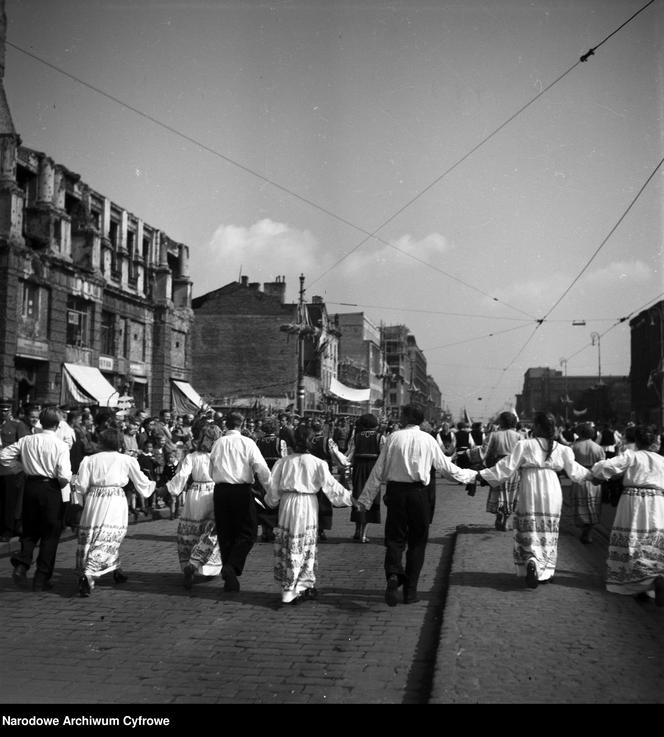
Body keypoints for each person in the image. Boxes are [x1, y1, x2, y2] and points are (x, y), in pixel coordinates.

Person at [357, 404, 478, 607]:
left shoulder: (394, 438)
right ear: (421, 420)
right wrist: (472, 477)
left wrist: (365, 500)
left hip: (396, 494)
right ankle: (410, 591)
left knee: (395, 539)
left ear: (405, 418)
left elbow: (378, 471)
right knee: (418, 542)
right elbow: (447, 468)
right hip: (419, 495)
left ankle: (394, 575)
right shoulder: (429, 440)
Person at [477, 411, 593, 589]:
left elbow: (505, 468)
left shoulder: (525, 445)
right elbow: (576, 472)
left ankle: (530, 560)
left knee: (529, 524)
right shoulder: (563, 449)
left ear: (536, 426)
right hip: (552, 487)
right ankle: (544, 570)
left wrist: (480, 476)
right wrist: (597, 475)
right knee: (548, 528)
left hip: (530, 485)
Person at [264, 424, 354, 605]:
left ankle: (291, 586)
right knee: (304, 543)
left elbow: (273, 490)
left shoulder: (283, 462)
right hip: (307, 504)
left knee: (289, 542)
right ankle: (301, 585)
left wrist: (270, 501)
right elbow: (331, 486)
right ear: (312, 441)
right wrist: (352, 498)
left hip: (288, 504)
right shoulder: (317, 463)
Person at [73, 428, 156, 597]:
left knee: (94, 533)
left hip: (94, 499)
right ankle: (89, 572)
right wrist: (156, 487)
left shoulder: (89, 460)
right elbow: (141, 482)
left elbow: (80, 486)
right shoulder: (126, 460)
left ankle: (116, 569)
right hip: (114, 499)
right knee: (110, 534)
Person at [590, 425, 664, 605]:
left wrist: (598, 474)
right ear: (655, 442)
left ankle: (637, 583)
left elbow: (604, 468)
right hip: (657, 502)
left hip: (633, 501)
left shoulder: (632, 456)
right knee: (653, 541)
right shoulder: (662, 460)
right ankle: (654, 579)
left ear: (637, 441)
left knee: (631, 540)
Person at [0, 407, 72, 591]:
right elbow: (64, 476)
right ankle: (41, 577)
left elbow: (4, 455)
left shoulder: (27, 440)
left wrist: (21, 468)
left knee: (30, 529)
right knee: (50, 533)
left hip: (31, 486)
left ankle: (23, 564)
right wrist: (65, 483)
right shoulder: (60, 445)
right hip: (51, 488)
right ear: (57, 425)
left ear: (41, 422)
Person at [208, 411, 271, 593]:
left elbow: (211, 470)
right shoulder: (247, 443)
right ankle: (232, 566)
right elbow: (261, 468)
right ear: (242, 425)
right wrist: (271, 493)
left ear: (226, 424)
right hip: (241, 491)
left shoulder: (218, 443)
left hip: (221, 491)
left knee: (225, 533)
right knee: (249, 532)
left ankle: (231, 576)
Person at [159, 423, 223, 590]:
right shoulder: (219, 457)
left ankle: (191, 564)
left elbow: (181, 476)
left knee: (192, 531)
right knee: (212, 531)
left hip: (194, 494)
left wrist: (169, 489)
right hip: (214, 493)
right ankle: (200, 564)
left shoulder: (192, 456)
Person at [310, 418, 350, 541]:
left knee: (311, 499)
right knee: (323, 499)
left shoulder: (307, 440)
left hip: (309, 472)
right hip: (323, 471)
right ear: (323, 428)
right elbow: (336, 455)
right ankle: (321, 529)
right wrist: (345, 463)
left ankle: (311, 527)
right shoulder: (328, 440)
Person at [347, 413, 384, 543]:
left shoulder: (356, 437)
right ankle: (364, 534)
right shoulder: (380, 437)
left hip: (359, 469)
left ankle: (357, 531)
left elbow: (349, 455)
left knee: (358, 496)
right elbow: (384, 455)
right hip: (373, 469)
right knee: (369, 498)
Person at [482, 411, 522, 531]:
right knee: (511, 494)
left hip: (498, 467)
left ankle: (499, 517)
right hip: (514, 469)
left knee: (499, 493)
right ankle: (506, 521)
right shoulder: (519, 436)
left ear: (501, 421)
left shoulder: (494, 435)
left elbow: (484, 452)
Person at [569, 422, 605, 544]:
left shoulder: (574, 447)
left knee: (580, 506)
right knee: (593, 506)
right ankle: (588, 532)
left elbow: (569, 465)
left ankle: (584, 530)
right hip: (594, 480)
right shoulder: (598, 448)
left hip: (579, 479)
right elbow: (603, 466)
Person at [254, 418, 288, 542]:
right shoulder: (280, 442)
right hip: (276, 474)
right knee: (276, 502)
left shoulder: (258, 442)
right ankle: (274, 529)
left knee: (263, 502)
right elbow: (284, 458)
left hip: (262, 475)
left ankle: (264, 531)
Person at [0, 398, 29, 541]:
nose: (3, 413)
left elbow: (24, 446)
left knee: (9, 501)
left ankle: (8, 529)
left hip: (11, 470)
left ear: (11, 411)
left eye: (6, 410)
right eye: (1, 410)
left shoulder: (18, 425)